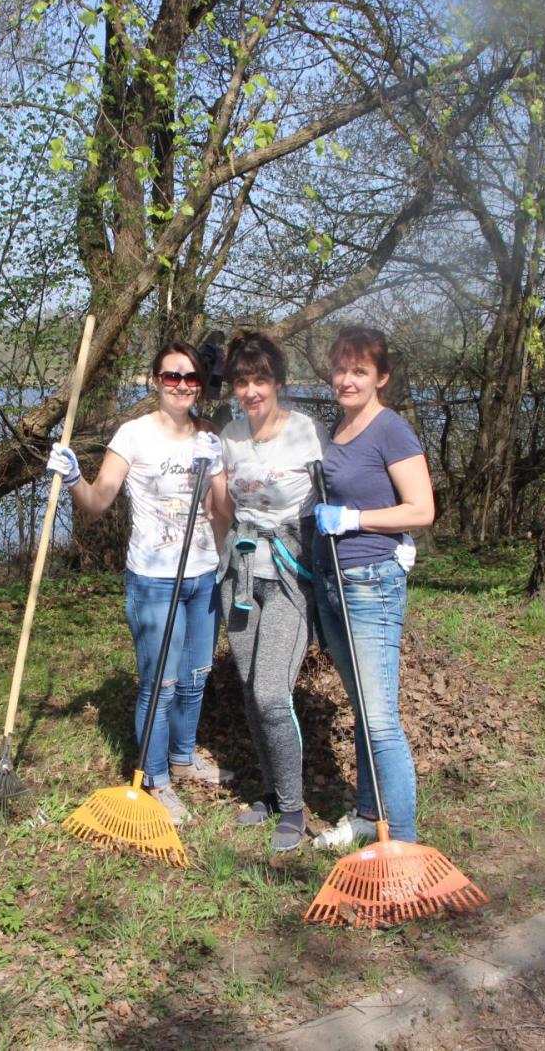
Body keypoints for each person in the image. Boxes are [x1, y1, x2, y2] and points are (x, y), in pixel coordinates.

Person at [46, 342, 230, 826]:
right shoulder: (133, 434)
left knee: (196, 678)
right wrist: (72, 478)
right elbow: (97, 502)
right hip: (153, 580)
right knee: (162, 683)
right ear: (155, 381)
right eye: (173, 377)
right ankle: (155, 778)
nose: (183, 386)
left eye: (192, 379)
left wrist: (219, 471)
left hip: (202, 572)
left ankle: (184, 758)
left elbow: (224, 515)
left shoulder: (210, 436)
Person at [309, 325, 434, 849]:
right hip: (333, 584)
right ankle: (368, 814)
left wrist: (355, 520)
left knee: (380, 719)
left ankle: (401, 842)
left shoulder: (391, 431)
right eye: (340, 368)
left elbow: (422, 510)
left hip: (371, 584)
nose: (347, 378)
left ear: (381, 377)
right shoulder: (336, 431)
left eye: (359, 370)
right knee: (362, 706)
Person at [208, 329, 329, 852]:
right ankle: (275, 792)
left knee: (271, 692)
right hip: (239, 574)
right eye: (242, 381)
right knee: (250, 690)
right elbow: (221, 509)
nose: (251, 390)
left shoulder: (306, 432)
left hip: (289, 575)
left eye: (260, 379)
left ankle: (296, 810)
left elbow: (331, 499)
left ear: (278, 381)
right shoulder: (229, 436)